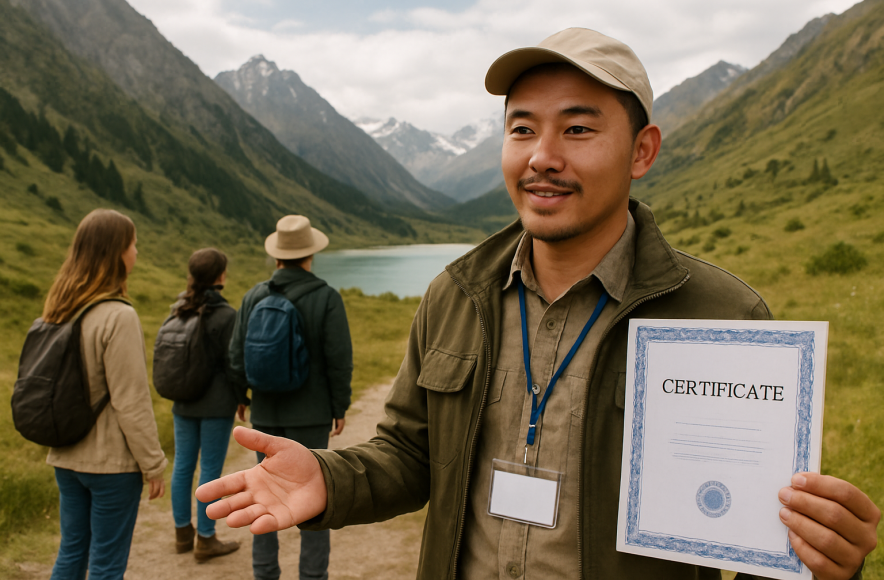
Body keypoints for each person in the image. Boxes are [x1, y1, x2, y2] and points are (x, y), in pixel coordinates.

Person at [197, 29, 881, 579]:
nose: (542, 157)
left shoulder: (724, 317)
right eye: (522, 130)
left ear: (642, 151)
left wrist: (822, 561)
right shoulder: (455, 293)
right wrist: (326, 476)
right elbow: (410, 453)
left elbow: (754, 532)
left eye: (578, 130)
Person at [226, 214, 353, 580]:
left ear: (277, 255)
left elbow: (236, 355)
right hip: (312, 417)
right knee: (314, 501)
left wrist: (242, 396)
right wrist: (338, 406)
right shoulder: (327, 297)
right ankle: (313, 576)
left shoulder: (253, 296)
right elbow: (338, 360)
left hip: (266, 415)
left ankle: (264, 573)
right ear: (310, 254)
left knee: (263, 497)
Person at [43, 209, 167, 579]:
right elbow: (130, 401)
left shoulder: (59, 308)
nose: (136, 252)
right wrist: (153, 464)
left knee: (71, 553)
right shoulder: (118, 315)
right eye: (132, 244)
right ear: (115, 253)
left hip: (65, 456)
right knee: (107, 566)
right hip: (111, 464)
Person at [167, 248, 244, 561]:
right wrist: (242, 397)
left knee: (183, 466)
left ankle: (182, 534)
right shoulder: (227, 315)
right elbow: (234, 364)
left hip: (183, 400)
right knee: (210, 470)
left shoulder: (177, 309)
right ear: (220, 277)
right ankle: (206, 539)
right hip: (216, 405)